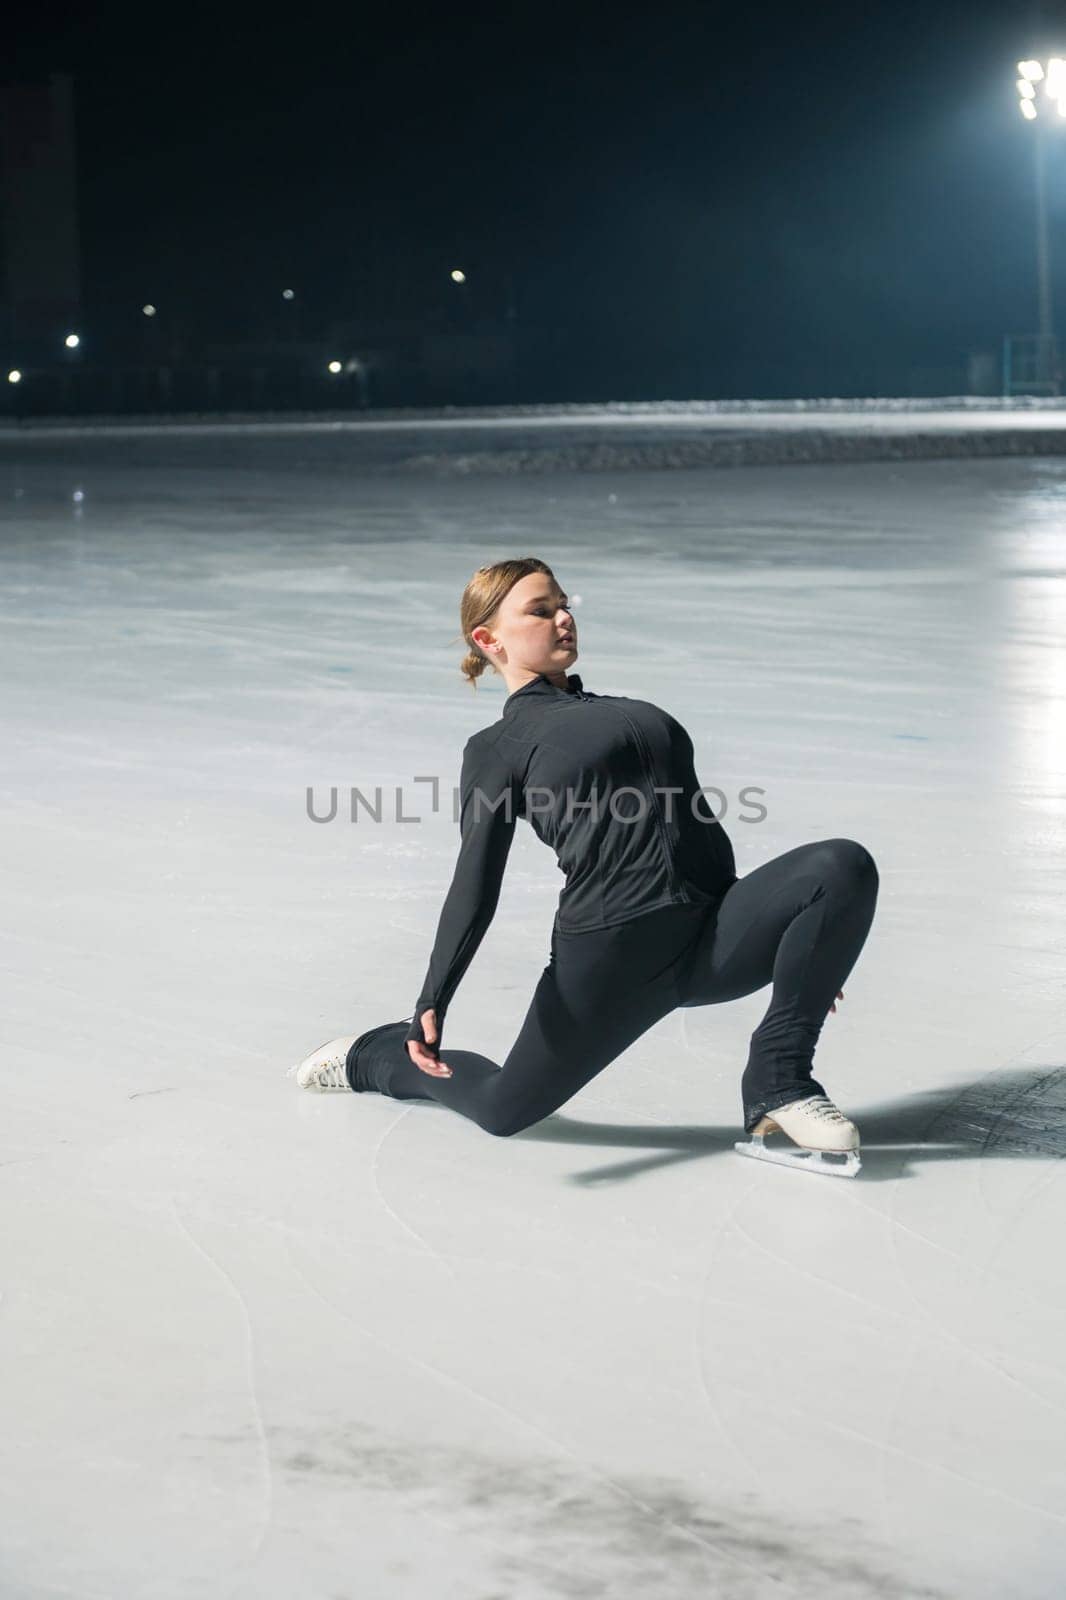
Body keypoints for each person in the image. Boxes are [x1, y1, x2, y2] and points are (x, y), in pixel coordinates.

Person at [289, 557, 879, 1177]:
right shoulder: (496, 749)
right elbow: (476, 878)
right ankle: (369, 1058)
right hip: (609, 959)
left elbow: (697, 832)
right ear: (488, 639)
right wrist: (434, 993)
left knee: (839, 865)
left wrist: (807, 952)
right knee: (503, 1108)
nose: (563, 618)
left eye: (565, 605)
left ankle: (779, 1081)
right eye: (540, 611)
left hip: (711, 937)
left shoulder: (631, 709)